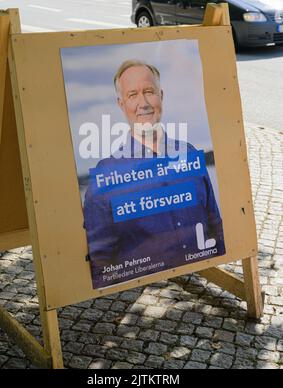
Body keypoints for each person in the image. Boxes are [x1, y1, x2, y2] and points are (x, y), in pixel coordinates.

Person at [84, 59, 225, 288]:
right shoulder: (106, 175)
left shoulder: (189, 154)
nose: (143, 103)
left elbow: (215, 226)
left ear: (161, 95)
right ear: (121, 104)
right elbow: (101, 262)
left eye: (149, 91)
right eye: (133, 95)